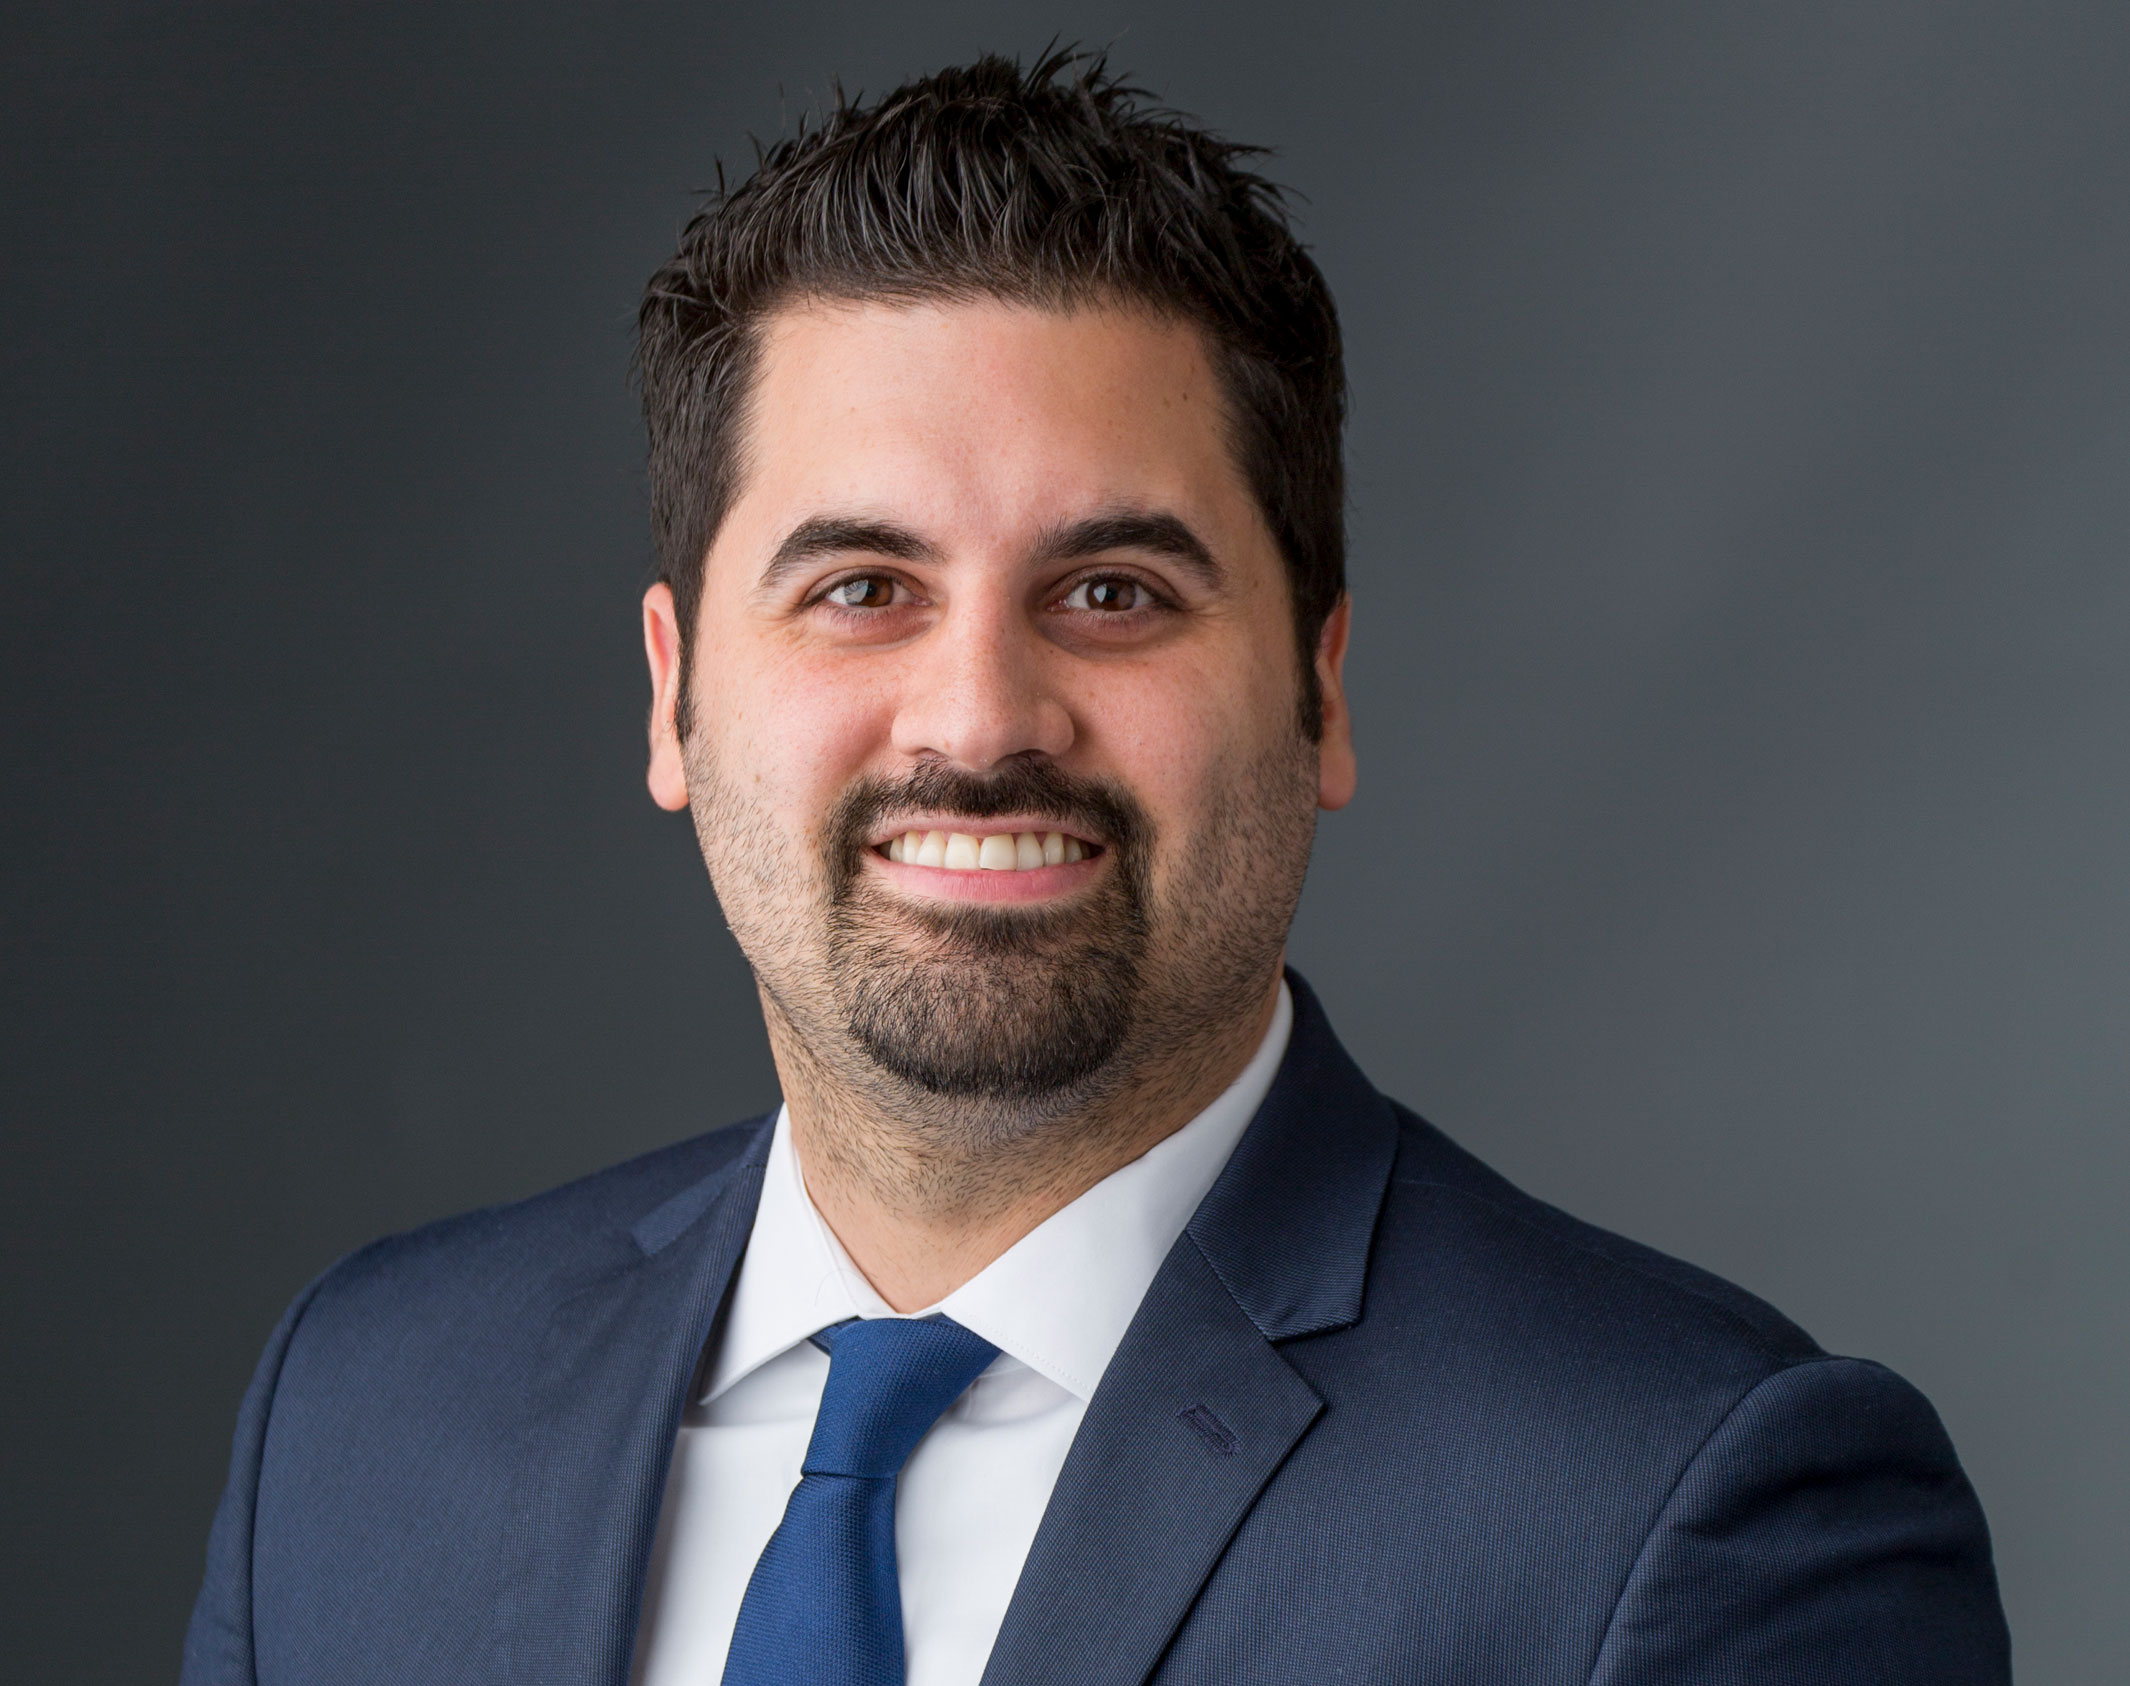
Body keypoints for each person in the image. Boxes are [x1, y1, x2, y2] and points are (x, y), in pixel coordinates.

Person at [181, 51, 2010, 1686]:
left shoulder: (1695, 1506)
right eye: (859, 589)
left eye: (1113, 592)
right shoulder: (363, 1415)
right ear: (672, 697)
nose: (980, 718)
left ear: (1318, 688)